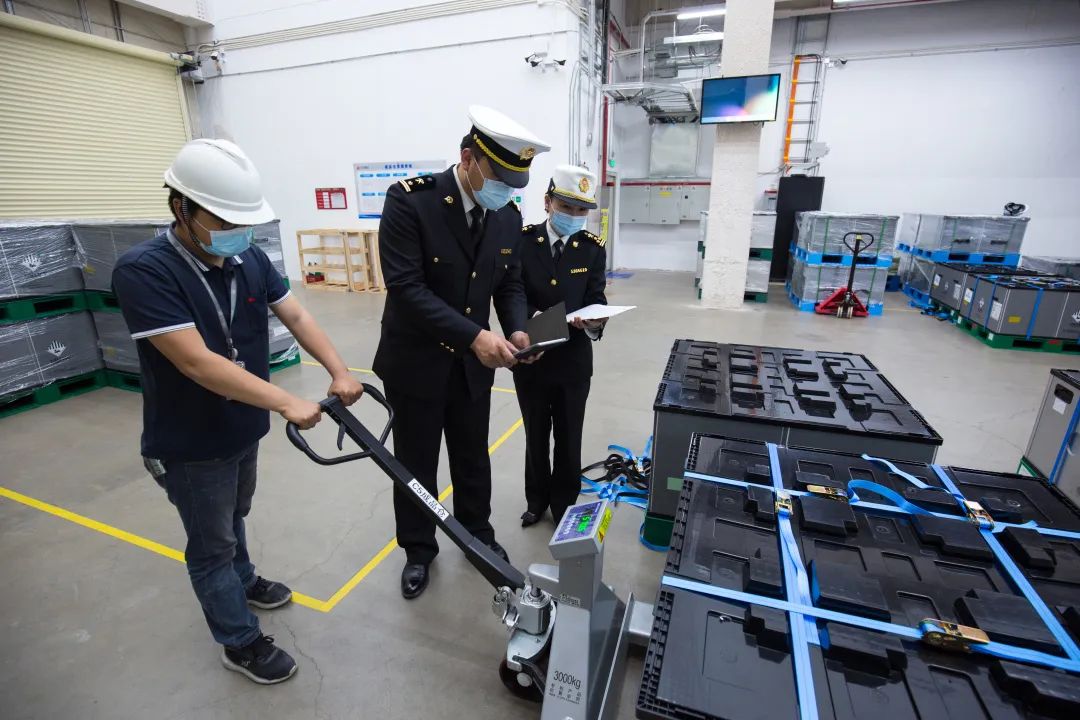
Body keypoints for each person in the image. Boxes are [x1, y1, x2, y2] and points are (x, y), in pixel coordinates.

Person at [111, 138, 364, 685]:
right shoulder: (145, 271)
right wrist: (287, 400)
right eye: (225, 221)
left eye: (244, 222)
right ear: (181, 208)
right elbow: (197, 362)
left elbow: (296, 315)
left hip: (243, 425)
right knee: (211, 544)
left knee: (234, 514)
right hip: (191, 440)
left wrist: (339, 371)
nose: (238, 232)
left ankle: (243, 579)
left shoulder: (247, 258)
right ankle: (239, 640)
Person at [374, 106, 550, 599]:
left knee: (473, 455)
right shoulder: (411, 202)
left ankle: (478, 534)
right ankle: (418, 549)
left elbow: (509, 282)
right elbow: (406, 288)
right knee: (416, 462)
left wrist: (518, 330)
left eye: (514, 184)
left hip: (474, 365)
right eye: (499, 178)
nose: (506, 191)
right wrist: (475, 336)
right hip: (416, 363)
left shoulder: (506, 215)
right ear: (468, 158)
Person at [515, 165, 607, 527]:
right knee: (535, 435)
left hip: (573, 362)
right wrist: (532, 317)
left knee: (570, 437)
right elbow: (512, 293)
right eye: (566, 207)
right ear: (548, 202)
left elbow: (596, 297)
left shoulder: (592, 249)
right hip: (532, 357)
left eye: (581, 210)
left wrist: (596, 321)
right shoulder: (524, 242)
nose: (573, 215)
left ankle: (564, 502)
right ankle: (536, 500)